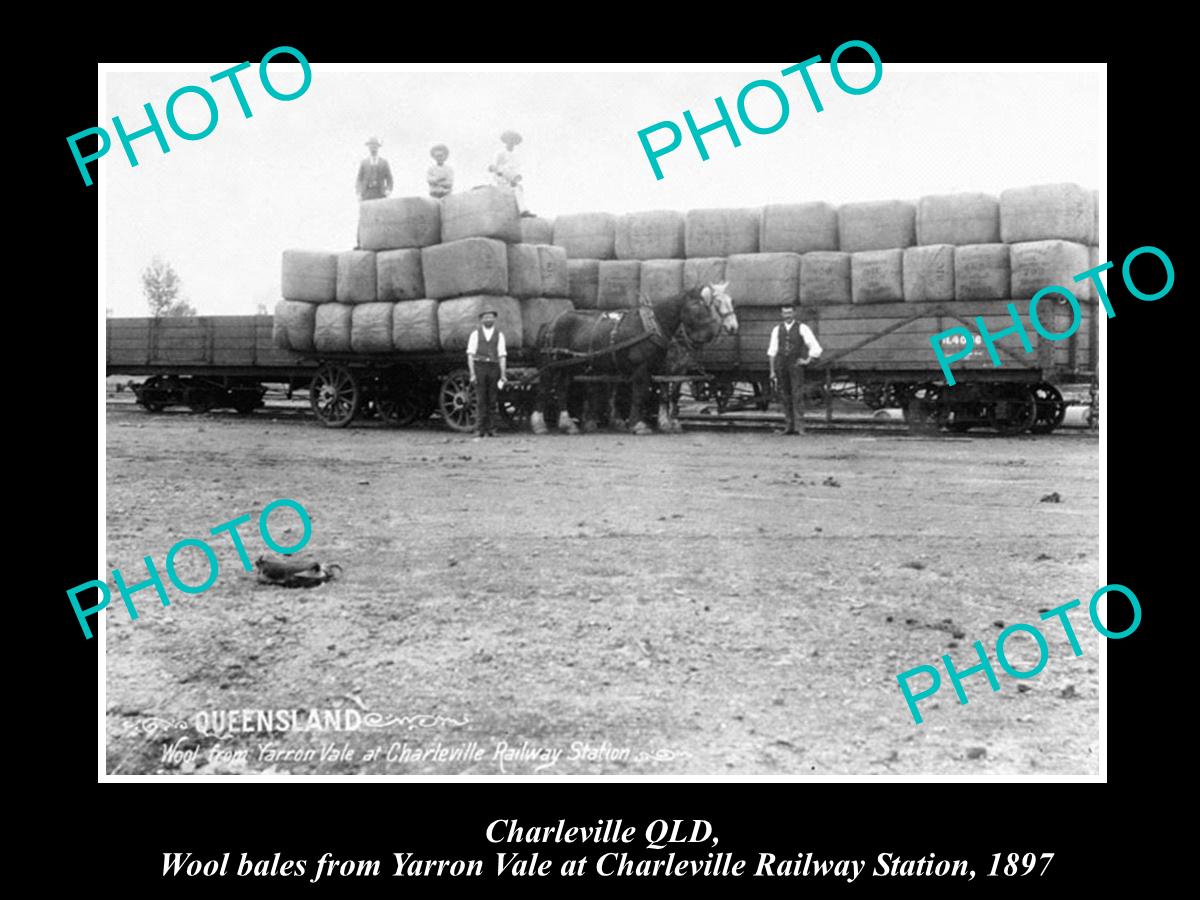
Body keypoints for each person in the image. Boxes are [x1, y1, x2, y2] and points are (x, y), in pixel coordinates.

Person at [767, 304, 823, 435]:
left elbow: (815, 347)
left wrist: (807, 360)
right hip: (781, 365)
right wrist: (772, 371)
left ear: (794, 313)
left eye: (790, 313)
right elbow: (772, 351)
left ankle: (800, 427)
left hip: (795, 365)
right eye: (785, 313)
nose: (788, 315)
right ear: (782, 315)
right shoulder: (777, 329)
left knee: (797, 395)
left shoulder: (802, 327)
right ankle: (789, 427)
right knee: (785, 396)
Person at [466, 309, 508, 437]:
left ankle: (492, 429)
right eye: (486, 317)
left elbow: (502, 355)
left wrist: (503, 374)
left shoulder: (499, 335)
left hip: (493, 367)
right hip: (480, 366)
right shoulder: (475, 334)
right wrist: (472, 373)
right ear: (481, 320)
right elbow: (470, 355)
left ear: (494, 319)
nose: (488, 319)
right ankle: (479, 429)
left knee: (492, 399)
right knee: (480, 399)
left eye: (491, 317)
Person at [488, 129, 532, 216]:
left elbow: (519, 172)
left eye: (513, 140)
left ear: (515, 143)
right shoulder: (500, 154)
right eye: (509, 139)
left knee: (518, 189)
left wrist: (515, 180)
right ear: (506, 141)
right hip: (501, 180)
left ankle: (523, 211)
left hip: (512, 180)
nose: (510, 142)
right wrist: (498, 173)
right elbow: (494, 167)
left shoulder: (517, 156)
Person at [356, 137, 393, 201]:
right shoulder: (364, 163)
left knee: (381, 210)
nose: (373, 148)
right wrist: (359, 193)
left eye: (375, 146)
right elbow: (359, 179)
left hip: (380, 193)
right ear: (368, 147)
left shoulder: (384, 162)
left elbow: (389, 179)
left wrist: (388, 190)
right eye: (371, 146)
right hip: (366, 193)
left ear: (378, 147)